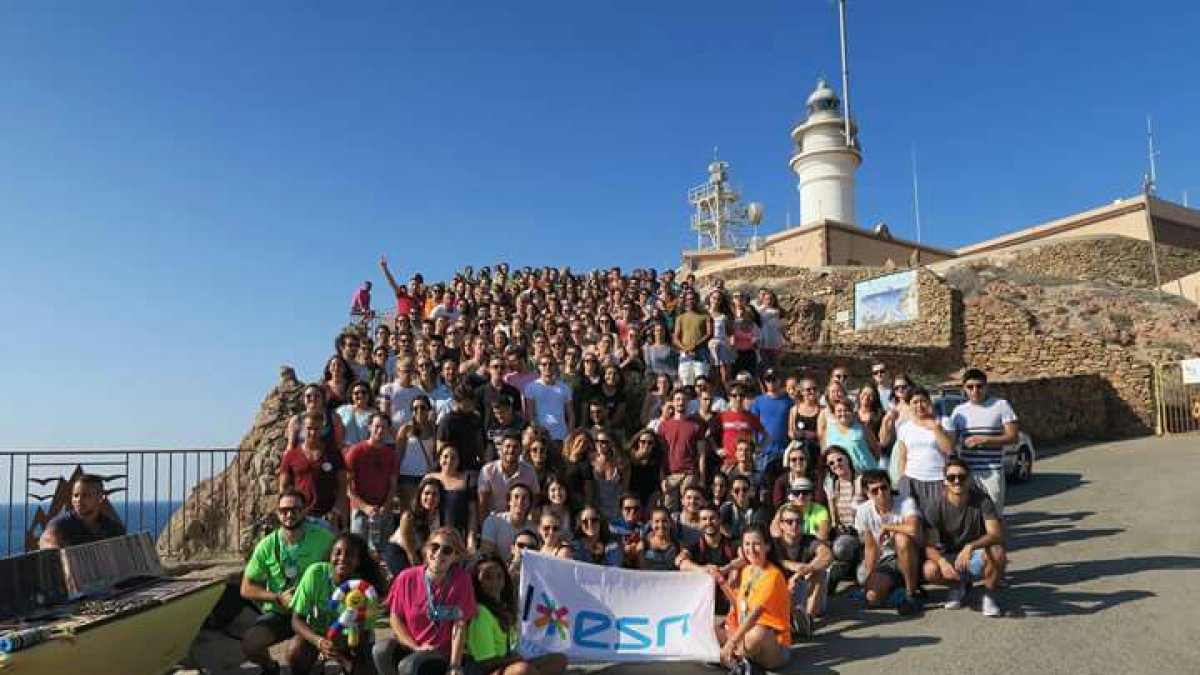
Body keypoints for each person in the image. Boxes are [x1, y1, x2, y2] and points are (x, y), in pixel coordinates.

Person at [240, 491, 336, 675]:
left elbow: (342, 566)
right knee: (250, 644)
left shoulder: (324, 538)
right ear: (277, 513)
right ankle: (270, 668)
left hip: (311, 615)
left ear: (305, 510)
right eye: (284, 510)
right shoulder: (266, 545)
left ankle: (313, 665)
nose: (289, 515)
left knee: (295, 655)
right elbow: (246, 587)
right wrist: (276, 597)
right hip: (279, 612)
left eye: (295, 509)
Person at [374, 528, 476, 675]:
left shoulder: (461, 580)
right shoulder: (406, 577)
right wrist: (415, 647)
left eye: (447, 550)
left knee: (409, 665)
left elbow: (459, 625)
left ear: (456, 556)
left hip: (440, 653)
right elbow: (395, 618)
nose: (439, 553)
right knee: (380, 650)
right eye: (434, 547)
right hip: (411, 646)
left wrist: (455, 665)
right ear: (426, 549)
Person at [288, 533, 386, 675]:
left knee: (365, 669)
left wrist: (343, 657)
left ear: (358, 560)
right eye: (337, 553)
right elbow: (296, 620)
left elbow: (365, 633)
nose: (342, 559)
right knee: (295, 651)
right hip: (317, 635)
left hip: (350, 638)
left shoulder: (366, 588)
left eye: (350, 555)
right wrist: (319, 641)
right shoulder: (315, 573)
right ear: (330, 555)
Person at [922, 458, 1008, 617]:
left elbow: (995, 534)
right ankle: (957, 586)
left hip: (976, 554)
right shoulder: (935, 507)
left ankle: (989, 597)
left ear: (969, 479)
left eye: (961, 477)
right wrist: (941, 562)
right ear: (945, 482)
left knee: (997, 551)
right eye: (951, 477)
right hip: (951, 556)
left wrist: (970, 546)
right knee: (929, 570)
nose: (957, 481)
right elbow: (929, 546)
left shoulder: (983, 501)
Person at [466, 555, 569, 675]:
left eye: (499, 576)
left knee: (559, 659)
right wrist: (515, 659)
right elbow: (485, 661)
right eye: (487, 577)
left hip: (506, 664)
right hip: (483, 670)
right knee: (523, 669)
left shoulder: (504, 606)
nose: (495, 581)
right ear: (477, 582)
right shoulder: (481, 612)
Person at [716, 524, 791, 670]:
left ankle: (733, 659)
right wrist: (721, 581)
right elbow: (738, 604)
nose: (750, 549)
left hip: (775, 647)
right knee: (712, 630)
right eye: (747, 544)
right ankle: (737, 660)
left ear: (767, 547)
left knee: (758, 631)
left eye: (756, 544)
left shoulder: (773, 575)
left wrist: (731, 643)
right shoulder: (748, 570)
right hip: (746, 636)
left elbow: (754, 616)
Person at [946, 368, 1020, 516]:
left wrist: (985, 441)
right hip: (967, 472)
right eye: (970, 387)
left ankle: (996, 539)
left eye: (979, 386)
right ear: (964, 389)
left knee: (993, 514)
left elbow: (1013, 437)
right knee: (969, 514)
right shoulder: (959, 411)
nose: (975, 391)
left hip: (992, 471)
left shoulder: (1000, 405)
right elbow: (951, 442)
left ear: (986, 387)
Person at [855, 469, 924, 616]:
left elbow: (912, 529)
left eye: (884, 487)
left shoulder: (905, 502)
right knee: (872, 598)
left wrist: (886, 526)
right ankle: (898, 588)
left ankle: (911, 594)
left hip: (913, 553)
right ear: (867, 493)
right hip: (887, 559)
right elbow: (870, 548)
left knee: (901, 538)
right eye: (875, 491)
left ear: (890, 487)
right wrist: (868, 581)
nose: (881, 493)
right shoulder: (863, 511)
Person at [772, 502, 833, 638]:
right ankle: (790, 620)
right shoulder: (773, 544)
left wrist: (806, 569)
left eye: (798, 521)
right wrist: (789, 565)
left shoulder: (809, 541)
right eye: (789, 521)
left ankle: (808, 621)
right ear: (781, 524)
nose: (794, 525)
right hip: (783, 590)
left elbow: (827, 555)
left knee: (819, 572)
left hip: (806, 592)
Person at [279, 411, 348, 528]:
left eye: (317, 428)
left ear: (323, 429)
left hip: (327, 517)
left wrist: (336, 511)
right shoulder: (291, 455)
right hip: (300, 516)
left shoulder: (334, 455)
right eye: (309, 428)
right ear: (302, 429)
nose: (313, 432)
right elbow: (283, 487)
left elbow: (342, 487)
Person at [895, 387, 957, 515]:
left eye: (922, 401)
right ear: (909, 405)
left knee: (939, 520)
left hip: (939, 479)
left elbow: (949, 450)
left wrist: (935, 428)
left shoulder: (945, 422)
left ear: (929, 402)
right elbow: (902, 457)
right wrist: (902, 479)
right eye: (915, 402)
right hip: (912, 479)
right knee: (915, 521)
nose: (919, 405)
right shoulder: (904, 427)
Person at [346, 412, 399, 554]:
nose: (380, 431)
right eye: (377, 426)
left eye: (384, 427)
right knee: (358, 550)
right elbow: (347, 486)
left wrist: (386, 506)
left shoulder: (390, 454)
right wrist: (365, 507)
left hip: (383, 510)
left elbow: (393, 484)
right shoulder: (355, 452)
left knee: (384, 552)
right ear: (369, 427)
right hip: (360, 510)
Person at [678, 505, 738, 615]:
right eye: (704, 519)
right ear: (699, 523)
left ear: (720, 519)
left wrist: (727, 569)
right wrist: (704, 570)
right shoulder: (695, 546)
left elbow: (743, 559)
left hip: (728, 605)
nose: (708, 522)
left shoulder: (732, 544)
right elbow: (681, 562)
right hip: (703, 608)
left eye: (712, 518)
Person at [39, 474, 126, 549]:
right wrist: (53, 547)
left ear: (100, 497)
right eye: (75, 495)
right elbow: (47, 539)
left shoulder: (113, 528)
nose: (79, 500)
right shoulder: (60, 524)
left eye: (85, 495)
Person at [657, 389, 710, 511]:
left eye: (684, 400)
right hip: (671, 475)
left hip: (689, 473)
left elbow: (701, 454)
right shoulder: (663, 426)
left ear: (688, 402)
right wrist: (662, 478)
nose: (681, 402)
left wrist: (702, 479)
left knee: (689, 509)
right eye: (678, 399)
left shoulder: (696, 425)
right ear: (673, 402)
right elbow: (660, 455)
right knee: (669, 509)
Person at [389, 476, 445, 574]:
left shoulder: (440, 517)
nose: (430, 498)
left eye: (435, 494)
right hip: (400, 551)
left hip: (421, 553)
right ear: (420, 495)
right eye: (426, 493)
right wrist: (422, 573)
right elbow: (411, 552)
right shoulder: (408, 517)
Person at [478, 431, 540, 517]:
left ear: (521, 450)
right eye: (508, 446)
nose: (511, 450)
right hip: (494, 518)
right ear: (500, 449)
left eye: (515, 447)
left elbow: (535, 499)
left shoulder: (529, 470)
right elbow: (482, 504)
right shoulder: (488, 470)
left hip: (521, 518)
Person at [431, 445, 479, 551]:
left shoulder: (468, 479)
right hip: (433, 533)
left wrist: (471, 537)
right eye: (445, 456)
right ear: (439, 458)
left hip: (459, 534)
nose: (449, 460)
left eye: (453, 457)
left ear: (459, 460)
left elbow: (472, 512)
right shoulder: (430, 478)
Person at [749, 368, 792, 483]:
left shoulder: (789, 402)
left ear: (779, 380)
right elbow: (752, 426)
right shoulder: (758, 401)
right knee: (761, 486)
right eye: (768, 380)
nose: (771, 383)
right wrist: (755, 447)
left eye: (774, 379)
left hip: (783, 451)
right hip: (763, 452)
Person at [396, 395, 439, 510]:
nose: (419, 411)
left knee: (426, 510)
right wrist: (394, 478)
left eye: (422, 407)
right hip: (407, 476)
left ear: (428, 410)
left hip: (427, 476)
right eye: (415, 408)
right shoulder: (405, 429)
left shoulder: (434, 429)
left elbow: (436, 454)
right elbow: (398, 456)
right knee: (409, 512)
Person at [437, 385, 486, 483]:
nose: (472, 406)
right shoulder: (447, 422)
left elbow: (479, 442)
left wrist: (483, 461)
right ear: (456, 402)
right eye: (467, 404)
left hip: (471, 469)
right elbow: (440, 450)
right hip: (453, 471)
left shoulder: (474, 418)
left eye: (472, 402)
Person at [710, 384, 766, 469]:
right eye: (734, 395)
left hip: (746, 463)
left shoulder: (750, 416)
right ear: (729, 397)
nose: (738, 398)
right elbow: (708, 435)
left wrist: (759, 448)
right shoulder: (722, 416)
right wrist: (716, 450)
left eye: (741, 395)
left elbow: (766, 435)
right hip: (728, 462)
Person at [480, 484, 536, 564]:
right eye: (516, 497)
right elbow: (487, 553)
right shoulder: (493, 521)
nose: (520, 501)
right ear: (509, 501)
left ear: (529, 503)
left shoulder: (534, 528)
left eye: (524, 498)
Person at [523, 357, 574, 445]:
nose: (547, 367)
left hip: (562, 435)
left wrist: (569, 435)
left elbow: (571, 414)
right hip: (540, 436)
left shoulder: (565, 388)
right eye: (544, 364)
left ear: (555, 366)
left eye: (551, 364)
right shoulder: (531, 387)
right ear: (539, 367)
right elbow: (531, 415)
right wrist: (536, 434)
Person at [823, 399, 882, 474]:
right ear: (834, 414)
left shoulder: (863, 428)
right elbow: (826, 455)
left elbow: (876, 450)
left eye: (846, 410)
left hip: (866, 472)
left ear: (852, 412)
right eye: (839, 411)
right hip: (841, 475)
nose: (843, 413)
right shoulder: (829, 432)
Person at [673, 290, 712, 386]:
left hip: (702, 352)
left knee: (702, 381)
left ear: (697, 300)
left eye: (693, 299)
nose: (691, 301)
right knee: (686, 382)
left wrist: (695, 346)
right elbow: (676, 337)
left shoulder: (706, 316)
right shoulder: (680, 317)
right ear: (685, 301)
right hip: (685, 353)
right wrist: (684, 348)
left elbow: (709, 334)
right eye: (688, 299)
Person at [637, 506, 682, 571]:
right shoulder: (643, 544)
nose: (660, 525)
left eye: (664, 521)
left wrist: (685, 554)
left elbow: (686, 557)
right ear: (651, 524)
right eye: (656, 521)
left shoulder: (677, 543)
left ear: (670, 522)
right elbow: (643, 568)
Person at [339, 381, 378, 447]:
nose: (360, 395)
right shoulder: (342, 410)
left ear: (369, 395)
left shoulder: (375, 414)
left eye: (364, 392)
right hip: (346, 451)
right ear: (351, 395)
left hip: (365, 451)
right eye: (356, 393)